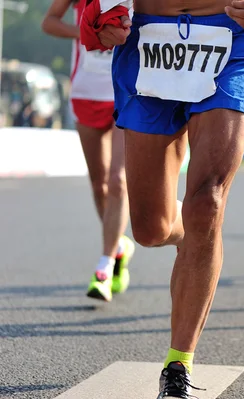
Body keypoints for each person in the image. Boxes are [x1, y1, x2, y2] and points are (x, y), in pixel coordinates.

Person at [82, 0, 244, 396]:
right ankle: (196, 234)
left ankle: (178, 360)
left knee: (208, 201)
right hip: (149, 40)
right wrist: (95, 11)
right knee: (151, 229)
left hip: (230, 39)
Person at [42, 0, 135, 303]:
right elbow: (49, 22)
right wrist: (85, 31)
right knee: (100, 185)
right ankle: (118, 245)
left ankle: (105, 266)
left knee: (119, 180)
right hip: (86, 91)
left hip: (125, 88)